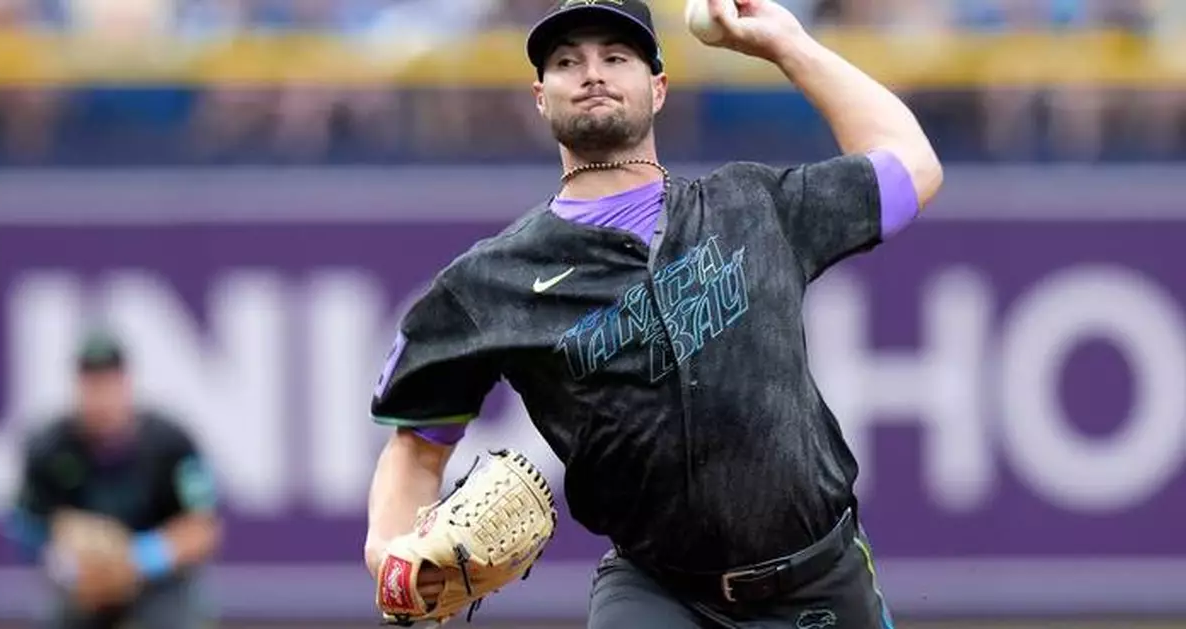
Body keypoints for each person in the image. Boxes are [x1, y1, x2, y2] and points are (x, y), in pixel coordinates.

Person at [363, 0, 943, 626]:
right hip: (658, 593)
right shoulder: (491, 282)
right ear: (540, 95)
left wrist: (789, 47)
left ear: (658, 88)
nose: (592, 72)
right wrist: (390, 556)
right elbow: (418, 445)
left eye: (616, 57)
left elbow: (913, 166)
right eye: (567, 61)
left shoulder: (750, 207)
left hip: (819, 582)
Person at [4, 329, 222, 629]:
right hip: (87, 587)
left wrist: (141, 557)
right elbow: (29, 524)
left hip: (161, 586)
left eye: (108, 382)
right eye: (91, 383)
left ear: (126, 383)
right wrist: (68, 563)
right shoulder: (49, 449)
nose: (101, 395)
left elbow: (203, 528)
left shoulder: (170, 443)